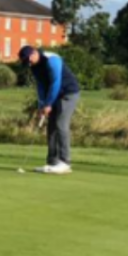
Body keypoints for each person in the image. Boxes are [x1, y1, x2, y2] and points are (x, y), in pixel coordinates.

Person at [19, 45, 80, 174]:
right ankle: (53, 162)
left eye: (28, 60)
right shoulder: (34, 67)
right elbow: (41, 86)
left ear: (34, 53)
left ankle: (65, 162)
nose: (28, 64)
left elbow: (55, 83)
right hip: (55, 95)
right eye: (26, 62)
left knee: (61, 124)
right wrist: (42, 104)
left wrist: (48, 104)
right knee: (51, 127)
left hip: (68, 93)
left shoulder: (52, 59)